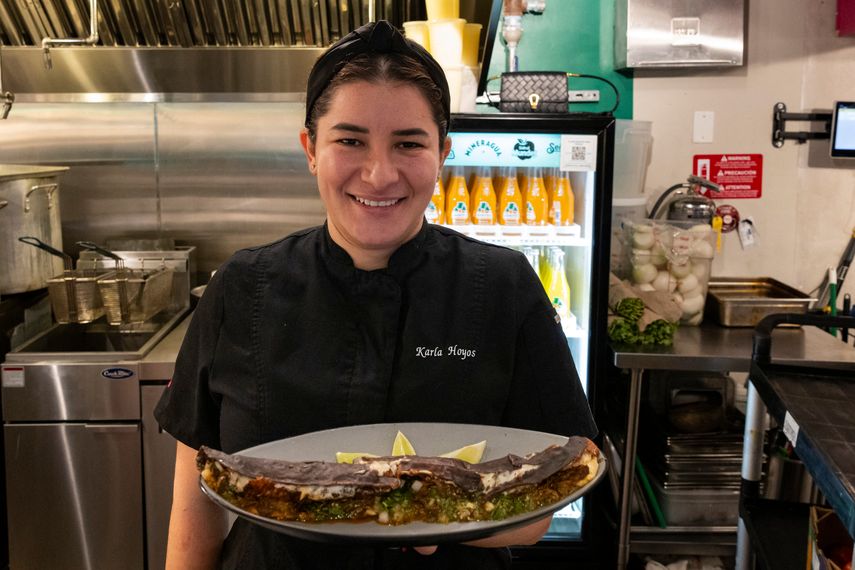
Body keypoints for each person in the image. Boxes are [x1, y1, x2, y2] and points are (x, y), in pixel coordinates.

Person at [155, 19, 597, 570]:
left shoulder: (504, 286)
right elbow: (197, 502)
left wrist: (429, 515)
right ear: (311, 149)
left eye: (409, 143)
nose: (379, 173)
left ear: (443, 153)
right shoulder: (240, 287)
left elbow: (540, 511)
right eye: (350, 140)